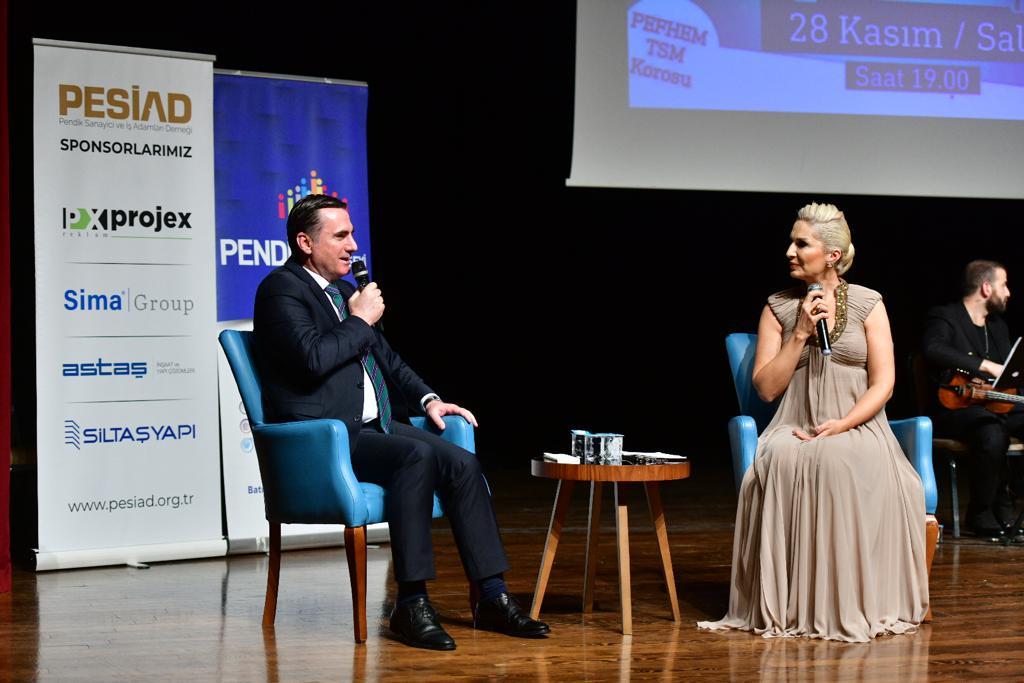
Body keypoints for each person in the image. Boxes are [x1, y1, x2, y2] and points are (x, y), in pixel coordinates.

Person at [253, 194, 550, 650]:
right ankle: (410, 604)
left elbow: (386, 359)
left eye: (353, 234)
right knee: (414, 456)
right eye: (341, 236)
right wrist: (359, 319)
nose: (354, 246)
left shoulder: (341, 294)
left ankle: (492, 596)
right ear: (305, 242)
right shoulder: (281, 290)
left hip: (374, 427)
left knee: (462, 463)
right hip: (326, 437)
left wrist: (429, 399)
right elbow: (311, 361)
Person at [698, 202, 929, 642]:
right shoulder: (778, 308)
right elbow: (766, 389)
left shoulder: (869, 304)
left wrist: (843, 424)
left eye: (801, 244)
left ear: (832, 255)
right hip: (795, 423)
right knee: (788, 457)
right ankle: (797, 606)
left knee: (840, 459)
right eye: (791, 242)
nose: (790, 251)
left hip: (859, 425)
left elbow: (884, 384)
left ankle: (848, 603)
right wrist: (801, 333)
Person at [922, 260, 1023, 538]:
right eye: (1004, 285)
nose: (1009, 292)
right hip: (955, 408)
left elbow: (1010, 372)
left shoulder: (997, 327)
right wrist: (985, 366)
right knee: (992, 432)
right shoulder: (945, 316)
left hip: (996, 404)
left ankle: (1009, 506)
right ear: (986, 287)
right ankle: (981, 512)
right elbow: (933, 349)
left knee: (1001, 423)